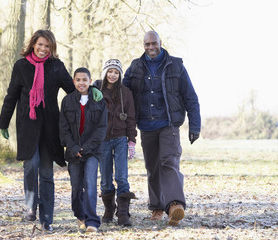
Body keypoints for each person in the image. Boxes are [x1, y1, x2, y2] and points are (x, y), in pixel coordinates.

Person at [0, 30, 102, 231]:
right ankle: (30, 205)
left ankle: (47, 219)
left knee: (46, 172)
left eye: (47, 46)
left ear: (51, 48)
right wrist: (3, 122)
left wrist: (92, 88)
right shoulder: (21, 66)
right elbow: (12, 95)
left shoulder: (56, 66)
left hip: (50, 126)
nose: (43, 49)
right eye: (40, 45)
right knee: (31, 165)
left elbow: (73, 89)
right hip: (27, 125)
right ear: (33, 44)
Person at [122, 31, 201, 226]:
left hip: (169, 123)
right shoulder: (135, 67)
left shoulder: (176, 65)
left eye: (154, 43)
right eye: (147, 44)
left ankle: (174, 205)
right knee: (152, 167)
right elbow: (122, 95)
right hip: (146, 126)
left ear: (160, 43)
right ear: (143, 45)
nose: (150, 47)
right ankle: (157, 207)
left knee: (169, 161)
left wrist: (195, 125)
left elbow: (190, 97)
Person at [59, 67, 107, 233]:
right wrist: (73, 148)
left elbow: (101, 129)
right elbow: (63, 128)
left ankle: (92, 221)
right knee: (76, 187)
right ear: (74, 81)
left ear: (90, 81)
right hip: (73, 153)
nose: (81, 83)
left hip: (92, 151)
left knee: (90, 183)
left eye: (84, 80)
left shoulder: (98, 100)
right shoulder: (67, 101)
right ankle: (80, 216)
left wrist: (85, 148)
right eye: (78, 80)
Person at [94, 59, 137, 226]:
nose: (113, 75)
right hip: (103, 140)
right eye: (110, 71)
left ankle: (123, 212)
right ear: (105, 72)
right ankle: (109, 208)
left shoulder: (125, 92)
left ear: (120, 75)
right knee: (105, 178)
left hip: (120, 139)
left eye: (116, 72)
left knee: (121, 176)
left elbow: (131, 117)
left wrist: (131, 140)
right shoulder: (96, 90)